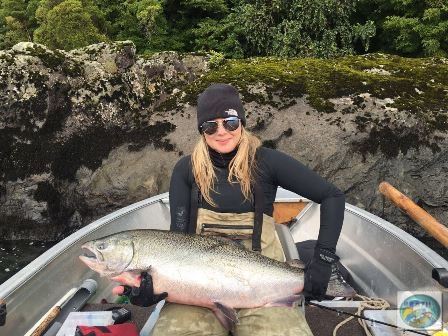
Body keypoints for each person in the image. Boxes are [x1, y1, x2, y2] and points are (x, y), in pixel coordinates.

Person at [114, 83, 345, 335]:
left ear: (242, 122)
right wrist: (149, 291)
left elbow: (332, 196)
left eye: (230, 122)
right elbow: (176, 241)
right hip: (197, 289)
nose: (221, 132)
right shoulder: (185, 169)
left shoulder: (267, 162)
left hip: (263, 285)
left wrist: (323, 260)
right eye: (210, 125)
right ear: (202, 131)